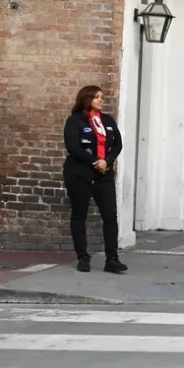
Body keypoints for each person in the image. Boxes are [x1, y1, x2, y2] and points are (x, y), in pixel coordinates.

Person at [63, 85, 126, 274]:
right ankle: (83, 256)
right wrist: (93, 161)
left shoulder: (107, 120)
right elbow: (73, 147)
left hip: (103, 174)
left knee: (110, 215)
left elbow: (117, 144)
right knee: (79, 213)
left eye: (102, 97)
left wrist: (107, 161)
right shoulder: (75, 121)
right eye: (96, 97)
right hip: (79, 174)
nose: (101, 100)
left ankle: (112, 259)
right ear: (86, 99)